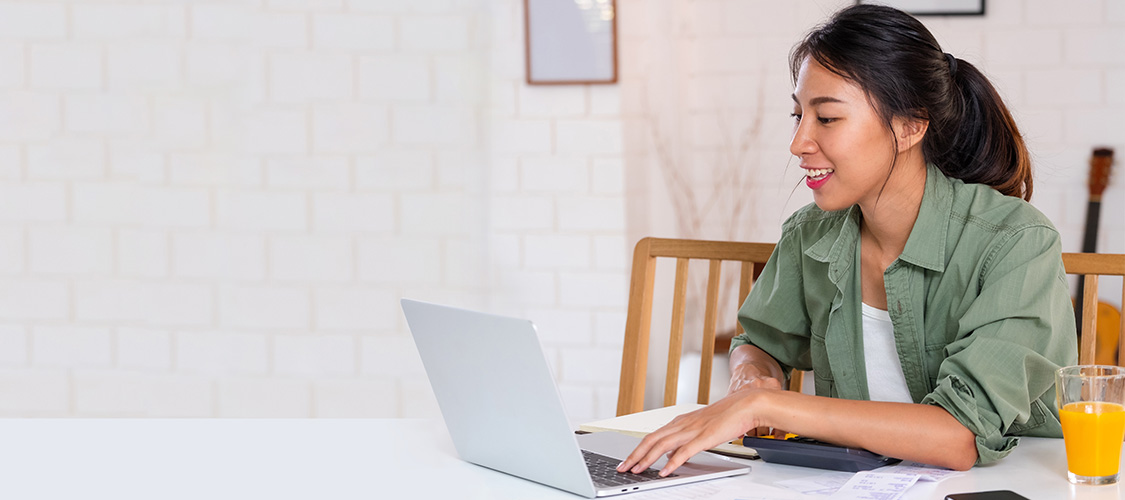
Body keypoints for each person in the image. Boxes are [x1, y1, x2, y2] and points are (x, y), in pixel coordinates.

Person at [618, 4, 1077, 476]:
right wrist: (750, 378)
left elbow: (958, 436)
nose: (798, 142)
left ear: (910, 126)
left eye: (827, 118)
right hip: (856, 483)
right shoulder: (809, 233)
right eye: (798, 115)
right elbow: (759, 341)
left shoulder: (1017, 242)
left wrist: (766, 407)